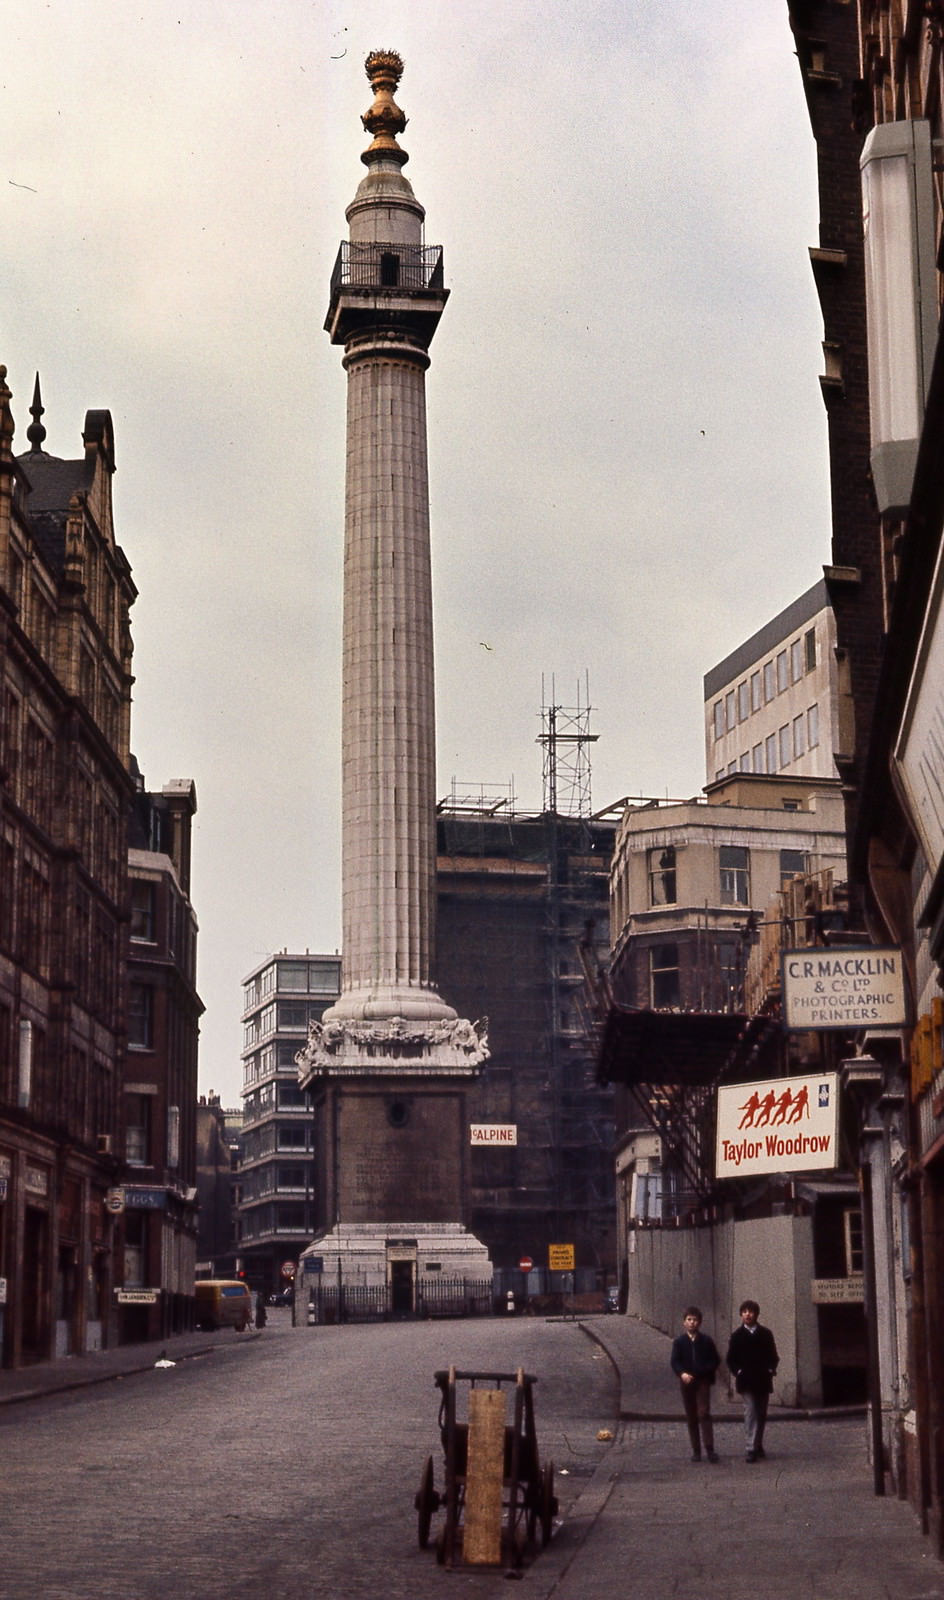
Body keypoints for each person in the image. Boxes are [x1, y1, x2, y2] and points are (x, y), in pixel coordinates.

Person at [726, 1299, 779, 1462]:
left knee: (761, 1413)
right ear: (741, 1315)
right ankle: (751, 1448)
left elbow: (773, 1356)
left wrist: (770, 1369)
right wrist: (738, 1371)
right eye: (744, 1312)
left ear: (756, 1314)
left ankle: (758, 1443)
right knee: (750, 1412)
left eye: (751, 1311)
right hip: (746, 1380)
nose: (748, 1314)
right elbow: (730, 1359)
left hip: (762, 1379)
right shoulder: (736, 1336)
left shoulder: (765, 1334)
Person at [670, 1305, 721, 1463]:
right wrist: (682, 1373)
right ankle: (696, 1450)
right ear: (684, 1322)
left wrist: (704, 1370)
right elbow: (675, 1361)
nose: (692, 1323)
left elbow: (715, 1360)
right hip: (686, 1382)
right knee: (691, 1415)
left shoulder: (706, 1341)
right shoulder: (679, 1342)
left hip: (702, 1380)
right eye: (689, 1320)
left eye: (695, 1320)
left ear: (699, 1322)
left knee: (703, 1412)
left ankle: (709, 1448)